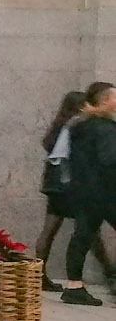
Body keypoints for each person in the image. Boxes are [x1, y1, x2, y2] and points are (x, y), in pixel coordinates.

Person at [37, 90, 113, 293]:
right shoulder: (83, 125)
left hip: (59, 185)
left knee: (55, 231)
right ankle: (108, 273)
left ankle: (42, 277)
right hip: (72, 186)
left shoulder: (65, 125)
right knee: (87, 233)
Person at [63, 81, 116, 306]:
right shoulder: (106, 128)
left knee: (81, 237)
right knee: (82, 237)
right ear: (106, 102)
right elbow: (109, 159)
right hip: (106, 193)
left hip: (82, 191)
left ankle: (74, 286)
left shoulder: (80, 126)